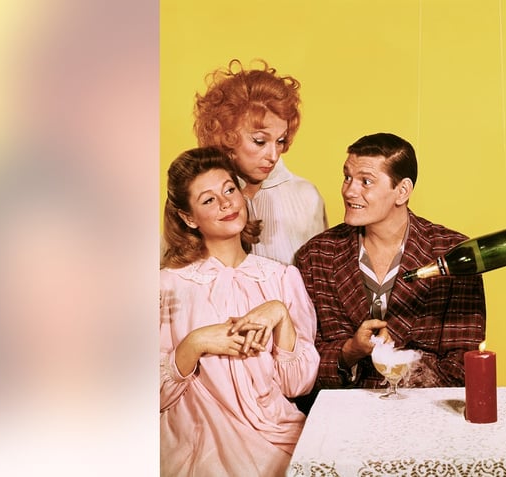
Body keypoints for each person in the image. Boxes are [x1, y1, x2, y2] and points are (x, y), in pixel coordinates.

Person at [160, 147, 320, 476]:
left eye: (229, 189)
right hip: (197, 442)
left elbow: (297, 386)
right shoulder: (165, 287)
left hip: (278, 434)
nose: (226, 203)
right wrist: (194, 343)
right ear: (189, 218)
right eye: (208, 200)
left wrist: (280, 315)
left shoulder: (282, 278)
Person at [294, 133, 485, 391]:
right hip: (347, 415)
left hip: (426, 415)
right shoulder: (316, 256)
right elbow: (300, 362)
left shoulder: (452, 254)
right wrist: (349, 351)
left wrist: (398, 364)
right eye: (347, 177)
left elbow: (464, 365)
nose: (349, 191)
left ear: (402, 191)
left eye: (366, 181)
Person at [193, 59, 327, 265]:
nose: (273, 155)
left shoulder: (306, 196)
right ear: (225, 134)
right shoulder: (195, 192)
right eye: (260, 141)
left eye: (281, 140)